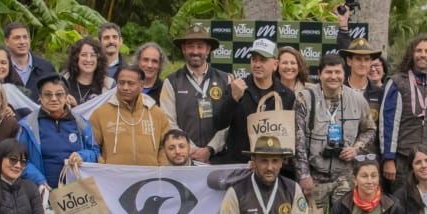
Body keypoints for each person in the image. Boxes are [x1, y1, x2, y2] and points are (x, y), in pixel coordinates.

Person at [296, 54, 377, 213]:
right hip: (315, 178)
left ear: (344, 74)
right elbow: (297, 140)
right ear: (319, 74)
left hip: (345, 177)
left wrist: (356, 149)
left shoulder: (357, 99)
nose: (333, 76)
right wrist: (303, 175)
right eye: (328, 72)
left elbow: (370, 130)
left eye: (337, 72)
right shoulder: (305, 98)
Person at [161, 24, 233, 163]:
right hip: (184, 160)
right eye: (190, 46)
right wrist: (190, 148)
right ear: (183, 49)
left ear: (208, 49)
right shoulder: (171, 82)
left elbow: (230, 122)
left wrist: (210, 149)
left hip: (218, 160)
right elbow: (168, 122)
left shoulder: (226, 80)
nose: (195, 51)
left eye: (200, 46)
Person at [379, 35, 427, 186]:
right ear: (411, 53)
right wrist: (388, 158)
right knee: (401, 198)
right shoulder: (397, 82)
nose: (423, 55)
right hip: (403, 157)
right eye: (419, 50)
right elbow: (388, 123)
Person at [225, 38, 296, 163]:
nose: (257, 65)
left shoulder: (287, 95)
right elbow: (219, 124)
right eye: (254, 59)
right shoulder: (236, 88)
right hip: (240, 166)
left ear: (275, 64)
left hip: (272, 168)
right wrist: (233, 99)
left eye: (263, 60)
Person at [86, 64, 168, 165]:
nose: (125, 87)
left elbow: (166, 146)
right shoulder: (100, 114)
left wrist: (161, 167)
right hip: (112, 174)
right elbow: (92, 147)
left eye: (130, 83)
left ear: (141, 86)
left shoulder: (157, 114)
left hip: (150, 174)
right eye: (121, 83)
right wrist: (103, 166)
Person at [35, 74, 98, 186]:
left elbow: (95, 152)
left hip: (76, 190)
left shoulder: (80, 123)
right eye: (48, 94)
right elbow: (22, 160)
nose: (54, 98)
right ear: (40, 97)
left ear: (66, 97)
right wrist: (39, 180)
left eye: (59, 94)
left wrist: (82, 156)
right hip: (41, 189)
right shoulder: (29, 125)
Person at [3, 22, 56, 99]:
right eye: (17, 38)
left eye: (25, 37)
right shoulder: (1, 68)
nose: (22, 42)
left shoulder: (46, 68)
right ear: (6, 42)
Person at [58, 37, 113, 107]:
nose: (88, 59)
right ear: (76, 58)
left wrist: (76, 106)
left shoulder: (109, 85)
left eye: (93, 55)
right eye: (83, 55)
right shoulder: (61, 81)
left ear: (98, 59)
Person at [339, 37, 385, 114]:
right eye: (358, 59)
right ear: (349, 61)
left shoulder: (380, 93)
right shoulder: (338, 91)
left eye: (366, 59)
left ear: (370, 62)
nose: (363, 64)